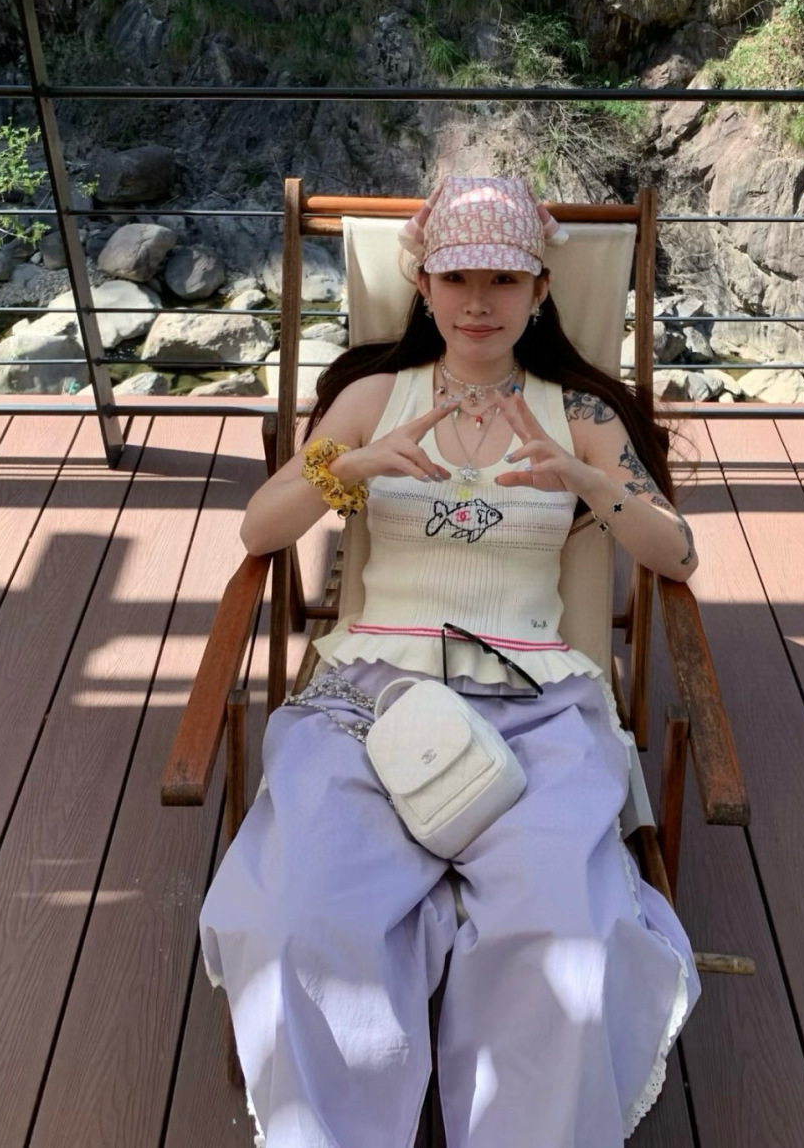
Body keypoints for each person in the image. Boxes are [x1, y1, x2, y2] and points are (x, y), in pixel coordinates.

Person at [200, 176, 701, 1148]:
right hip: (367, 699)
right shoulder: (372, 398)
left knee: (566, 941)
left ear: (540, 288)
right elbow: (260, 529)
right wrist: (352, 467)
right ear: (422, 285)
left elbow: (676, 554)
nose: (479, 301)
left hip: (536, 702)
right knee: (303, 917)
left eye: (503, 279)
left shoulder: (578, 411)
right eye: (457, 277)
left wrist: (587, 479)